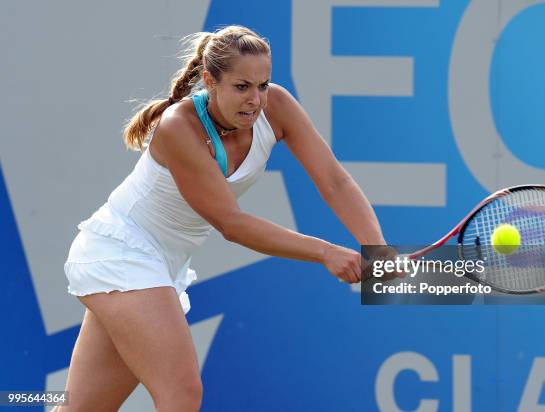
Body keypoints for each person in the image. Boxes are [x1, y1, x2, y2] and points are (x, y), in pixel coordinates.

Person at [58, 25, 387, 411]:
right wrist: (326, 251)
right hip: (120, 253)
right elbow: (231, 224)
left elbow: (334, 180)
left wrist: (376, 246)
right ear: (211, 82)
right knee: (181, 394)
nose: (256, 100)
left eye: (263, 85)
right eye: (242, 87)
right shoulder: (179, 127)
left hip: (162, 264)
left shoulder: (277, 106)